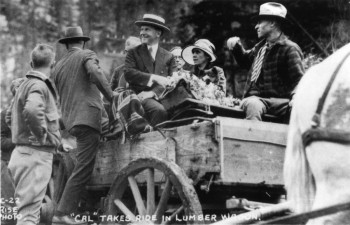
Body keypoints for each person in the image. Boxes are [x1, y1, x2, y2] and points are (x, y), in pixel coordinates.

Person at [51, 26, 114, 225]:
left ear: (67, 44)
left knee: (83, 162)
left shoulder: (58, 66)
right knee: (83, 168)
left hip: (72, 121)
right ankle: (61, 213)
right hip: (88, 119)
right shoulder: (87, 54)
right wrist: (112, 97)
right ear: (83, 42)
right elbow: (95, 73)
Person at [6, 44, 60, 225]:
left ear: (31, 63)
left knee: (24, 214)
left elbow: (9, 116)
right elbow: (31, 109)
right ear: (53, 63)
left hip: (20, 154)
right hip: (35, 155)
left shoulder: (23, 85)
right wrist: (41, 136)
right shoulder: (39, 85)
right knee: (29, 217)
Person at [227, 2, 304, 121]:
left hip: (281, 102)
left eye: (260, 22)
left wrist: (296, 99)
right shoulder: (260, 48)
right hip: (256, 100)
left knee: (298, 109)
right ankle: (253, 138)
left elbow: (299, 81)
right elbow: (245, 61)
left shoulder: (290, 49)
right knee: (253, 105)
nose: (256, 27)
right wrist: (236, 47)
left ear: (272, 23)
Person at [124, 14, 176, 126]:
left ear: (158, 33)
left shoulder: (169, 56)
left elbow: (174, 79)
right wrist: (154, 78)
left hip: (162, 96)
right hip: (138, 96)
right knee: (159, 110)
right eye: (141, 29)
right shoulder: (133, 52)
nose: (142, 33)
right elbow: (129, 73)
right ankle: (155, 142)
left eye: (147, 29)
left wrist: (152, 93)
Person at [1, 78, 25, 225]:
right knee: (10, 209)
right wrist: (18, 140)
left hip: (28, 166)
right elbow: (1, 142)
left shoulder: (34, 114)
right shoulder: (4, 114)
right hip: (7, 165)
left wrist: (60, 146)